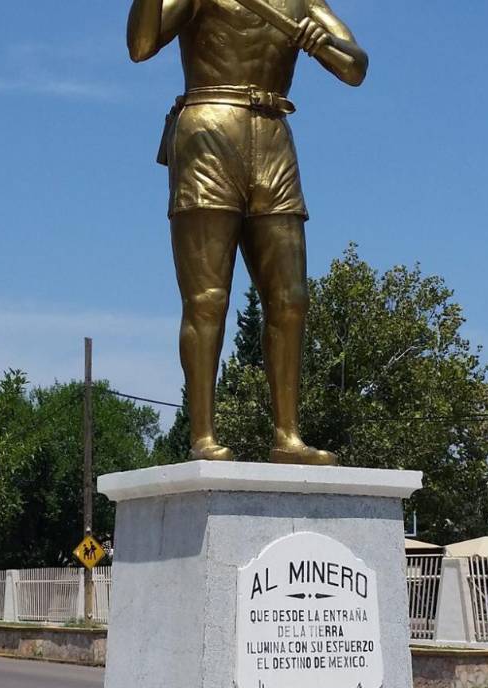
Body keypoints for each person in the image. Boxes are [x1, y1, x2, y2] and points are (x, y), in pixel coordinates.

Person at [127, 0, 368, 465]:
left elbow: (355, 67)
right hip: (208, 128)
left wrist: (322, 43)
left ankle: (288, 436)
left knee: (291, 298)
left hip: (274, 133)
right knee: (207, 298)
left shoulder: (302, 1)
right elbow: (141, 45)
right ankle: (202, 435)